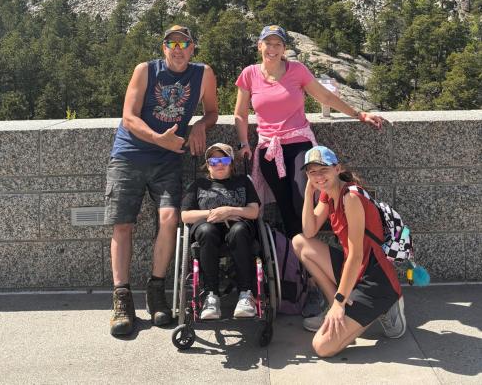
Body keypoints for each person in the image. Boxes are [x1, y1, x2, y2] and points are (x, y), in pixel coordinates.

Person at [105, 25, 218, 336]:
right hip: (130, 154)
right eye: (172, 43)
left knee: (169, 219)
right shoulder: (145, 70)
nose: (178, 48)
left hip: (168, 160)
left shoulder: (203, 74)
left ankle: (157, 292)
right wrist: (159, 138)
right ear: (163, 47)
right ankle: (121, 298)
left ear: (193, 48)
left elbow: (212, 112)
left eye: (185, 43)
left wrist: (198, 126)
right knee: (122, 224)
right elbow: (128, 116)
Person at [234, 24, 386, 240]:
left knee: (301, 198)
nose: (273, 49)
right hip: (269, 147)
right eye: (268, 43)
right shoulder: (249, 74)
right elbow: (240, 114)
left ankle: (310, 252)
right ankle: (297, 266)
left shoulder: (297, 70)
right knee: (284, 206)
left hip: (298, 143)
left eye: (278, 44)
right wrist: (243, 143)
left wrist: (359, 114)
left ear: (284, 48)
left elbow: (325, 97)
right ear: (260, 46)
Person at [293, 145, 406, 357]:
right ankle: (337, 310)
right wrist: (309, 192)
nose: (318, 176)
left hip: (375, 279)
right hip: (354, 271)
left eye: (323, 169)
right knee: (300, 243)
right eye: (312, 172)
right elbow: (308, 231)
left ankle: (388, 304)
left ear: (337, 169)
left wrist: (340, 302)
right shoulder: (328, 194)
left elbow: (356, 256)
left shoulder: (351, 197)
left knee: (322, 347)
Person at [181, 143, 260, 320]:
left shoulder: (243, 182)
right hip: (207, 230)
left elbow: (254, 211)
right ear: (207, 164)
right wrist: (213, 213)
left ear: (231, 162)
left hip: (238, 229)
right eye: (214, 160)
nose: (219, 164)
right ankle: (211, 296)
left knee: (239, 230)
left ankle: (245, 294)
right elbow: (185, 215)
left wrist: (230, 211)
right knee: (207, 232)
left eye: (224, 159)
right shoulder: (198, 184)